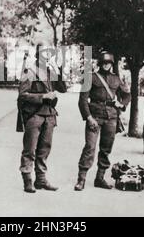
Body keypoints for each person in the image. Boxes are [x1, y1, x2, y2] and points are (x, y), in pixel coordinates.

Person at [74, 51, 131, 191]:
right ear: (100, 63)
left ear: (111, 64)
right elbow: (82, 100)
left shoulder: (116, 79)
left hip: (111, 118)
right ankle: (81, 179)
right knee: (90, 148)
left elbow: (127, 95)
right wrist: (88, 117)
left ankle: (100, 178)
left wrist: (122, 104)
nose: (106, 65)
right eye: (104, 63)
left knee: (106, 149)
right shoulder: (91, 78)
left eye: (109, 63)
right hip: (94, 117)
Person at [18, 41, 67, 193]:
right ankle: (27, 180)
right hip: (34, 114)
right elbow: (23, 95)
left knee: (45, 149)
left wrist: (59, 70)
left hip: (49, 115)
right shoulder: (30, 71)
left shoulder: (51, 71)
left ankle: (41, 179)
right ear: (38, 54)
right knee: (30, 149)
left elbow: (63, 89)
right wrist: (43, 96)